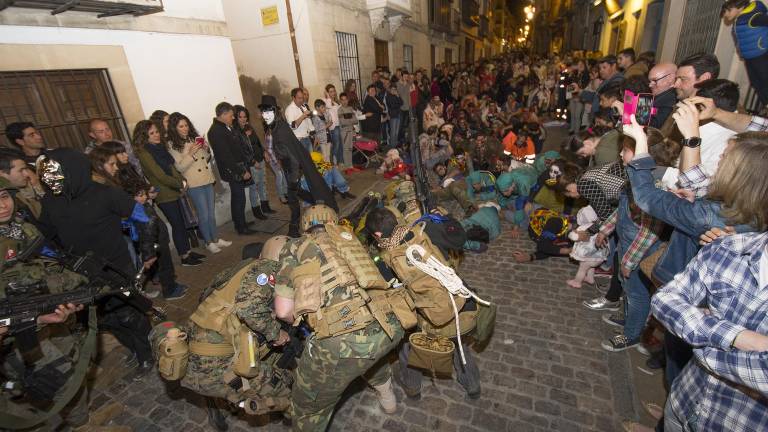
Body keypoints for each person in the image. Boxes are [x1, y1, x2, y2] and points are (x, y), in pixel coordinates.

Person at [275, 205, 407, 430]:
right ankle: (388, 399)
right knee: (369, 353)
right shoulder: (349, 239)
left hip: (344, 343)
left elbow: (283, 311)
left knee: (307, 406)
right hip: (391, 326)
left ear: (304, 227)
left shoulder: (293, 247)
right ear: (333, 222)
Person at [36, 148, 156, 373]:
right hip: (80, 275)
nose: (50, 181)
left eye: (56, 174)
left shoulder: (105, 193)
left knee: (129, 315)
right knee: (104, 320)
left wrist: (147, 251)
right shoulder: (51, 202)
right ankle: (134, 348)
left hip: (116, 268)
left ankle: (148, 352)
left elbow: (145, 218)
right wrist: (59, 258)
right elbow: (43, 238)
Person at [0, 177, 92, 430]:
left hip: (49, 312)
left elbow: (48, 264)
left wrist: (69, 286)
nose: (2, 205)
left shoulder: (22, 229)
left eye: (4, 196)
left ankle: (80, 421)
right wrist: (34, 317)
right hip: (15, 335)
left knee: (76, 361)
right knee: (58, 381)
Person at [365, 206, 483, 401]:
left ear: (377, 234)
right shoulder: (425, 231)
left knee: (405, 341)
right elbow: (459, 239)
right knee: (458, 343)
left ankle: (412, 387)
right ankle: (472, 385)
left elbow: (396, 295)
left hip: (432, 319)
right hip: (461, 306)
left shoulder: (385, 261)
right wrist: (446, 217)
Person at [172, 256, 293, 424]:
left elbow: (206, 296)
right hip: (213, 369)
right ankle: (297, 417)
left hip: (189, 356)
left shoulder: (237, 271)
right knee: (283, 387)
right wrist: (276, 334)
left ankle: (219, 399)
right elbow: (250, 310)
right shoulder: (265, 274)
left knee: (261, 352)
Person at [258, 95, 337, 238]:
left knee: (293, 198)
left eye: (269, 112)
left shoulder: (280, 128)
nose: (265, 115)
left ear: (275, 112)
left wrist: (293, 177)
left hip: (292, 169)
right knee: (297, 194)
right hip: (290, 168)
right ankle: (319, 202)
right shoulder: (275, 126)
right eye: (263, 112)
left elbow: (291, 155)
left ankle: (293, 229)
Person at [135, 120, 205, 265]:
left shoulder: (160, 147)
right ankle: (184, 257)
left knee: (182, 223)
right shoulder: (144, 152)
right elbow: (159, 175)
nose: (156, 135)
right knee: (177, 224)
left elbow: (171, 167)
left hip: (175, 189)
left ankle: (188, 252)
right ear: (144, 136)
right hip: (164, 193)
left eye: (157, 131)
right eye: (152, 133)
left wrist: (182, 181)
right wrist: (179, 184)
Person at [167, 112, 232, 254]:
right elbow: (179, 167)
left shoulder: (192, 138)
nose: (185, 128)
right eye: (181, 126)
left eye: (186, 125)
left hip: (207, 178)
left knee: (211, 213)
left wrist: (206, 148)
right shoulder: (173, 145)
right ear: (174, 128)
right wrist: (190, 153)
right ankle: (208, 242)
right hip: (194, 183)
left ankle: (215, 238)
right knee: (203, 214)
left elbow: (206, 158)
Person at [207, 102, 257, 236]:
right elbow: (226, 156)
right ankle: (241, 227)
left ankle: (241, 222)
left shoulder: (225, 127)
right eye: (231, 116)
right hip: (233, 170)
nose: (233, 118)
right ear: (223, 115)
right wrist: (241, 171)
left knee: (239, 197)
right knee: (239, 198)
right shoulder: (216, 131)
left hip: (237, 167)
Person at [721, 0, 768, 105]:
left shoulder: (752, 16)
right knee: (756, 83)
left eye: (728, 11)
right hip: (750, 57)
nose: (726, 15)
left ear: (737, 7)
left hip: (760, 56)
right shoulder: (740, 20)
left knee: (764, 81)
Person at [234, 105, 274, 220]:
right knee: (254, 187)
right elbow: (242, 150)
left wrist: (264, 152)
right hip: (251, 162)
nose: (243, 119)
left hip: (260, 158)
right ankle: (257, 211)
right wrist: (252, 161)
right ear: (236, 118)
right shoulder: (236, 132)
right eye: (240, 117)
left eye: (245, 116)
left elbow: (257, 142)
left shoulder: (248, 126)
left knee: (263, 183)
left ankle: (265, 206)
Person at [566, 206, 609, 288]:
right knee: (590, 265)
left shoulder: (585, 229)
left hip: (588, 254)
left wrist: (571, 233)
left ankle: (577, 282)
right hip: (598, 256)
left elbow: (575, 237)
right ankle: (590, 278)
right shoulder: (600, 227)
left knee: (582, 268)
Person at [0, 148, 43, 220]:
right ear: (2, 174)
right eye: (21, 170)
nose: (27, 174)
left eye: (26, 169)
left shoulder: (24, 190)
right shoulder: (6, 204)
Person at [284, 88, 315, 153]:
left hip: (307, 137)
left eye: (302, 98)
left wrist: (313, 134)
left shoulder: (303, 106)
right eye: (299, 98)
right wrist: (303, 116)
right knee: (304, 162)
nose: (301, 100)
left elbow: (308, 121)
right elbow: (293, 126)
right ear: (293, 98)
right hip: (299, 140)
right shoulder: (290, 109)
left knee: (311, 160)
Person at [647, 63, 678, 128]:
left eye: (654, 80)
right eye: (649, 81)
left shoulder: (670, 100)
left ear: (670, 78)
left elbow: (654, 128)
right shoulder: (663, 95)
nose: (650, 85)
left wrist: (629, 114)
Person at [323, 84, 344, 165]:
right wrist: (328, 97)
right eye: (331, 92)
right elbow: (327, 106)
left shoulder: (336, 102)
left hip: (339, 125)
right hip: (333, 127)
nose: (333, 93)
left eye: (334, 91)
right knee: (336, 144)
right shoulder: (326, 101)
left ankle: (341, 161)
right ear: (327, 93)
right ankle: (333, 161)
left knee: (340, 144)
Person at [337, 92, 358, 167]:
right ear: (340, 101)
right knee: (346, 149)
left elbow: (356, 120)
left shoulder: (350, 108)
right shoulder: (340, 110)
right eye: (342, 100)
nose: (344, 101)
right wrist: (350, 119)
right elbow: (343, 122)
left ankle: (350, 165)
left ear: (348, 100)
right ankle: (347, 166)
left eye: (345, 99)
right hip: (344, 132)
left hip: (351, 131)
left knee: (350, 149)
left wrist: (347, 118)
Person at [385, 84, 403, 149]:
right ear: (390, 90)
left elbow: (402, 103)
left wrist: (398, 96)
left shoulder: (396, 95)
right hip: (393, 116)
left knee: (397, 131)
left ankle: (395, 145)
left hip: (398, 115)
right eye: (392, 89)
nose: (394, 91)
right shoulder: (388, 96)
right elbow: (392, 105)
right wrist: (398, 104)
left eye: (395, 89)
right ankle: (392, 146)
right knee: (393, 132)